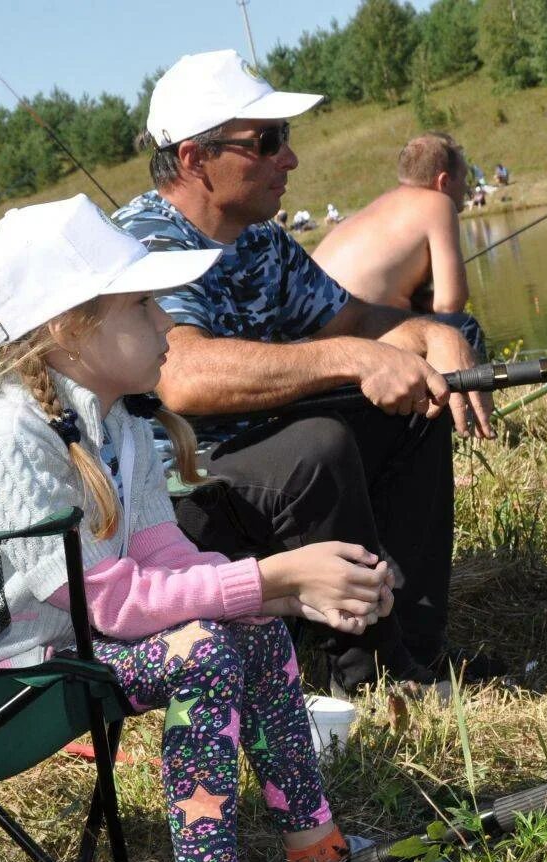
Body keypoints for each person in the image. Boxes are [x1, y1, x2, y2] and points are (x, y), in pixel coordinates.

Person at [0, 194, 456, 862]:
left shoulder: (118, 426)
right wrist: (272, 577)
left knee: (248, 632)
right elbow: (110, 602)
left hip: (60, 649)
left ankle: (320, 859)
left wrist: (284, 599)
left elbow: (165, 558)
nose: (166, 322)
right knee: (205, 649)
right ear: (69, 329)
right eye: (144, 303)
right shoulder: (9, 442)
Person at [113, 50, 499, 700]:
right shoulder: (147, 244)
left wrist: (431, 334)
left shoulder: (258, 240)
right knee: (315, 447)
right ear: (193, 159)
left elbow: (348, 320)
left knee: (412, 407)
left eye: (284, 139)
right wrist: (353, 360)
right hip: (177, 505)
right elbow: (182, 377)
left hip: (255, 473)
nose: (288, 159)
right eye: (266, 142)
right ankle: (371, 676)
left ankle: (415, 649)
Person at [313, 132, 481, 330]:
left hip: (305, 329)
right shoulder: (438, 203)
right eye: (463, 177)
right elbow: (449, 304)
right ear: (443, 182)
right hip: (344, 334)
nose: (467, 187)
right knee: (462, 327)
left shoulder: (384, 205)